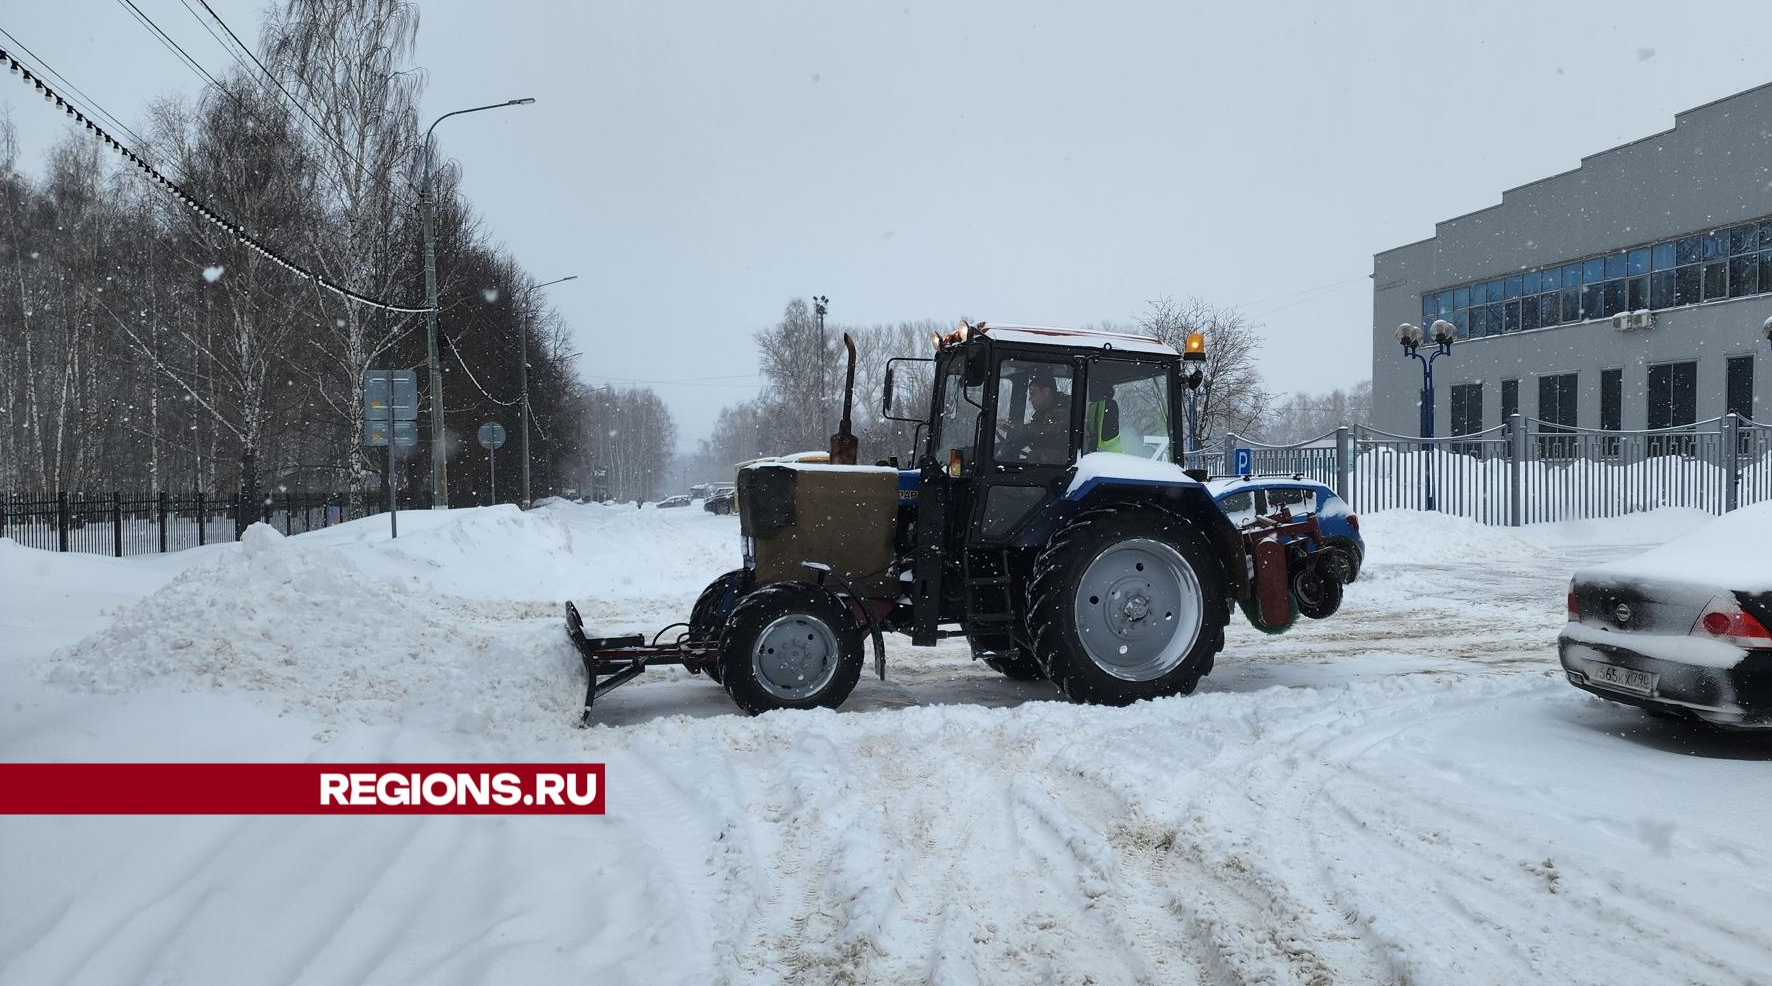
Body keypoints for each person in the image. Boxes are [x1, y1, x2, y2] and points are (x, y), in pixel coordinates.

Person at [1002, 370, 1070, 462]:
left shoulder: (1065, 409)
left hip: (1061, 468)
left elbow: (1039, 432)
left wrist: (1013, 428)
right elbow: (1029, 434)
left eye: (1033, 393)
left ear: (1046, 391)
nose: (1030, 399)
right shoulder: (1042, 413)